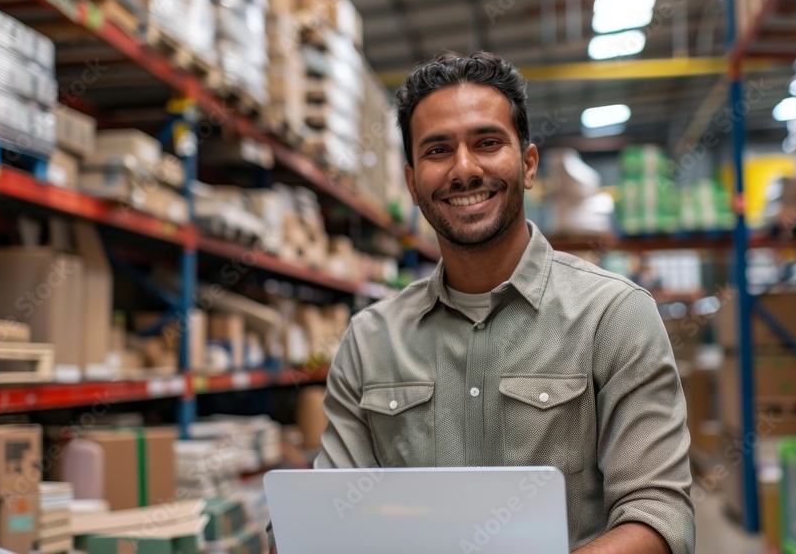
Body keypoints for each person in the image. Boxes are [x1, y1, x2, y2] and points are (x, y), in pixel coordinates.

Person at [268, 51, 695, 554]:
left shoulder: (612, 316)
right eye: (437, 151)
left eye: (487, 143)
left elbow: (659, 515)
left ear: (528, 163)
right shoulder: (370, 340)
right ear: (411, 182)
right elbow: (333, 511)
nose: (464, 170)